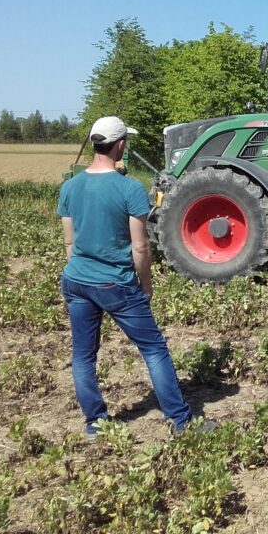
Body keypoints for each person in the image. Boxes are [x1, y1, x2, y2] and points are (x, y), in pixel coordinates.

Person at [58, 117, 204, 437]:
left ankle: (95, 424)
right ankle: (180, 421)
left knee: (83, 356)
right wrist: (146, 286)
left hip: (76, 280)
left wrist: (81, 274)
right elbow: (140, 246)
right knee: (154, 349)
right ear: (120, 145)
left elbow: (69, 241)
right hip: (116, 284)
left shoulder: (69, 186)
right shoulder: (130, 188)